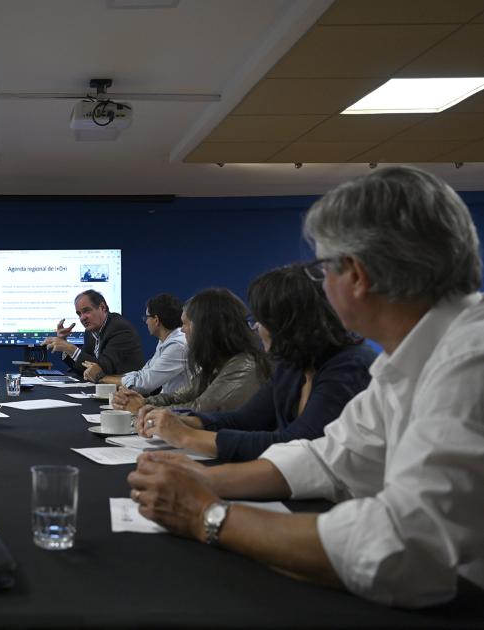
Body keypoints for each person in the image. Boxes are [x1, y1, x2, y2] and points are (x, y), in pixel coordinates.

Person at [127, 165, 484, 607]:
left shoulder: (471, 363)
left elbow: (405, 554)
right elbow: (331, 457)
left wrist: (207, 514)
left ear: (355, 276)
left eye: (322, 270)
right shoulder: (414, 356)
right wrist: (200, 476)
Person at [139, 265, 375, 462]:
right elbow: (244, 420)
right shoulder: (292, 365)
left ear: (290, 324)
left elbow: (297, 445)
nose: (255, 328)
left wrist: (187, 437)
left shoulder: (347, 367)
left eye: (261, 320)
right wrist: (184, 420)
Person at [114, 288, 270, 415]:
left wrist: (143, 409)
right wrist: (145, 402)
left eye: (186, 324)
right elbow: (180, 396)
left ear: (205, 328)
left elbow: (200, 409)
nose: (182, 329)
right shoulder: (218, 361)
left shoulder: (243, 365)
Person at [43, 289, 145, 382]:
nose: (82, 318)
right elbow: (84, 367)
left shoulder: (119, 328)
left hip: (129, 393)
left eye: (86, 311)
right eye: (79, 314)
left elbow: (104, 368)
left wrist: (71, 348)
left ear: (102, 307)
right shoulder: (90, 332)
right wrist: (64, 346)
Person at [97, 293, 188, 395]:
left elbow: (143, 385)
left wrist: (102, 378)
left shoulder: (177, 346)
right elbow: (143, 374)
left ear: (156, 320)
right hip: (168, 401)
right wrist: (104, 377)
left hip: (180, 408)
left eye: (147, 317)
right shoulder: (166, 340)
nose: (146, 322)